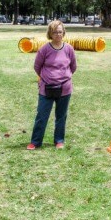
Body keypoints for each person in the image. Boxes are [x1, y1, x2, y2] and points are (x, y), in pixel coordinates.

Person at [27, 20, 77, 150]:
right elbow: (37, 66)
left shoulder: (69, 49)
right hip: (46, 88)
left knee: (61, 116)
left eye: (60, 32)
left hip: (64, 89)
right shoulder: (44, 49)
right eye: (55, 32)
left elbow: (73, 67)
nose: (58, 34)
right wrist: (46, 78)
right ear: (50, 33)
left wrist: (63, 77)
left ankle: (59, 141)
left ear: (63, 33)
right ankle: (35, 142)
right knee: (41, 116)